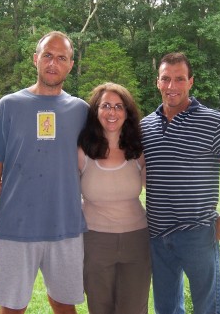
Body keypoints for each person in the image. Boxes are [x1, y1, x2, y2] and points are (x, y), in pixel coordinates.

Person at [0, 31, 89, 314]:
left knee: (65, 305)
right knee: (12, 308)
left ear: (71, 65)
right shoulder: (9, 106)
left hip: (66, 228)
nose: (53, 63)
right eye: (48, 55)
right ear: (35, 59)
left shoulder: (81, 111)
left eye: (61, 57)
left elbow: (103, 160)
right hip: (16, 228)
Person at [140, 52, 220, 314]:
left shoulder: (212, 121)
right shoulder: (145, 126)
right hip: (158, 235)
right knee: (166, 309)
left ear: (190, 82)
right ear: (157, 82)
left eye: (179, 79)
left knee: (208, 308)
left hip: (199, 234)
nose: (172, 86)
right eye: (166, 79)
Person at [77, 83, 151, 314]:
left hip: (137, 239)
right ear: (96, 111)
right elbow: (59, 187)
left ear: (127, 113)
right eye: (106, 106)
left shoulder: (139, 150)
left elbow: (161, 186)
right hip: (95, 241)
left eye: (119, 106)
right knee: (99, 308)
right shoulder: (81, 151)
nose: (112, 112)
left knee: (134, 309)